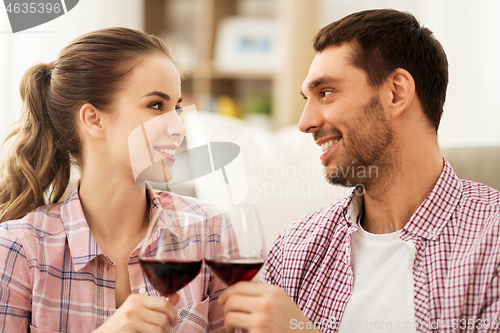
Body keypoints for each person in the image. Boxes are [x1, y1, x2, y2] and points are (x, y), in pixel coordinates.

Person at [218, 9, 500, 333]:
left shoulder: (492, 243)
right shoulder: (295, 249)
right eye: (306, 98)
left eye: (325, 93)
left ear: (396, 92)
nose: (304, 122)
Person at [0, 28, 226, 332]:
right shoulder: (18, 249)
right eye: (157, 105)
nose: (179, 128)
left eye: (178, 108)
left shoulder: (209, 230)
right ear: (94, 119)